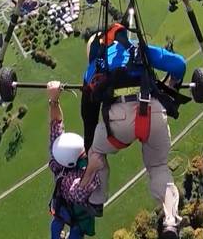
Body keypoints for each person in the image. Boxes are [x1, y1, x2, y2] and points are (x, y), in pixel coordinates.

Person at [80, 24, 188, 239]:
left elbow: (88, 114)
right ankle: (169, 221)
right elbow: (179, 64)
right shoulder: (139, 50)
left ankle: (97, 201)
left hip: (118, 121)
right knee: (158, 168)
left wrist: (90, 144)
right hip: (152, 112)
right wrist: (172, 85)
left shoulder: (95, 66)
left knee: (96, 154)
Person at [47, 81, 104, 239]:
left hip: (63, 209)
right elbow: (78, 192)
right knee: (73, 232)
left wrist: (54, 99)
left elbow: (56, 125)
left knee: (57, 228)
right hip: (76, 214)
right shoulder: (74, 176)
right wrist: (92, 168)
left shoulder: (57, 159)